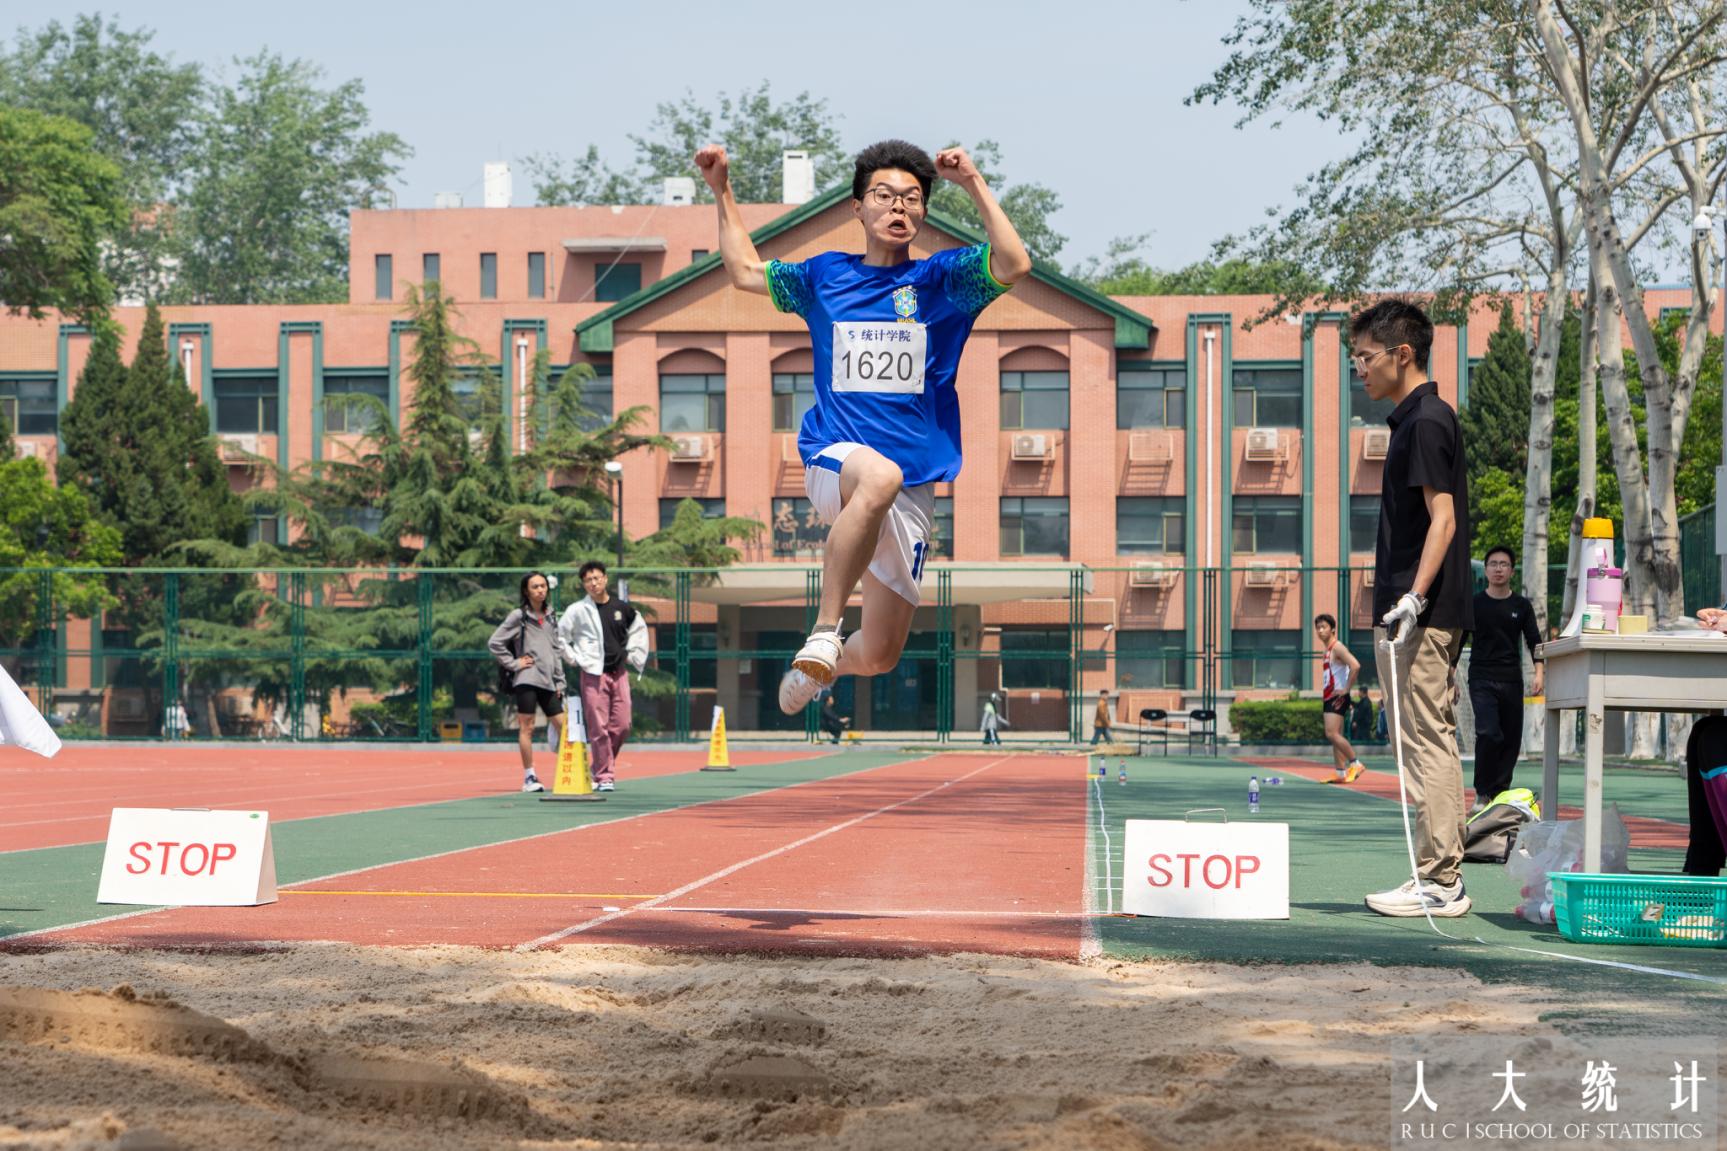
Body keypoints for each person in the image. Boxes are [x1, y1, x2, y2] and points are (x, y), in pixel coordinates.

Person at [696, 139, 1031, 716]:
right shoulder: (824, 276)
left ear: (923, 213)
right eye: (884, 195)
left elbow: (1014, 264)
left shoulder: (944, 281)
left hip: (912, 487)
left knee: (879, 653)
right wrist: (721, 188)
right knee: (879, 475)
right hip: (837, 459)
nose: (899, 206)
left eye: (912, 198)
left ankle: (820, 671)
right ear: (857, 208)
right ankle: (824, 632)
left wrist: (973, 181)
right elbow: (744, 271)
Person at [1355, 299, 1474, 918]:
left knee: (1427, 738)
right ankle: (1436, 873)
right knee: (1425, 736)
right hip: (1416, 612)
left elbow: (1442, 519)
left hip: (1420, 615)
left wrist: (1412, 598)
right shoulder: (1415, 421)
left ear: (1402, 354)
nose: (1359, 369)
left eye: (1366, 357)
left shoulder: (1426, 420)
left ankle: (1441, 880)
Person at [1467, 545, 1545, 810]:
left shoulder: (1521, 606)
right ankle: (1482, 792)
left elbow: (1534, 640)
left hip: (1511, 680)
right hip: (1481, 677)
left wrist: (1539, 672)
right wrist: (1450, 675)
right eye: (1493, 564)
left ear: (1512, 571)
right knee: (1488, 733)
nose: (1498, 569)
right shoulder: (1475, 604)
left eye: (1504, 564)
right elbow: (1458, 641)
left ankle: (1500, 793)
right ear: (1486, 570)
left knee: (1510, 739)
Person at [558, 560, 647, 792]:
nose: (593, 583)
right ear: (583, 584)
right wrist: (574, 659)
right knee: (599, 727)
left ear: (605, 579)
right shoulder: (577, 610)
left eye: (597, 578)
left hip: (619, 673)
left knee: (623, 725)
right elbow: (560, 637)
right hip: (593, 675)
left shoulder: (621, 608)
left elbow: (639, 629)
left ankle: (599, 766)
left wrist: (633, 655)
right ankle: (604, 776)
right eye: (588, 580)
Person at [488, 571, 565, 793]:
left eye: (543, 586)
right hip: (527, 679)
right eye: (535, 587)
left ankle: (570, 773)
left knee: (564, 726)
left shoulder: (551, 615)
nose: (540, 590)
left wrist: (560, 681)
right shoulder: (518, 616)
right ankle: (530, 777)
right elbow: (494, 642)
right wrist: (514, 664)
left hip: (548, 681)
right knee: (527, 727)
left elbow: (556, 650)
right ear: (526, 591)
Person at [1313, 614, 1366, 783]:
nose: (1320, 630)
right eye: (1318, 627)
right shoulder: (1327, 650)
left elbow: (1355, 665)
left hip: (1338, 696)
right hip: (1330, 696)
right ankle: (1340, 772)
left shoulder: (1338, 647)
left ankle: (1356, 763)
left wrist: (1346, 689)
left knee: (1331, 733)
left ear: (1333, 629)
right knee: (1336, 735)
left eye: (1324, 627)